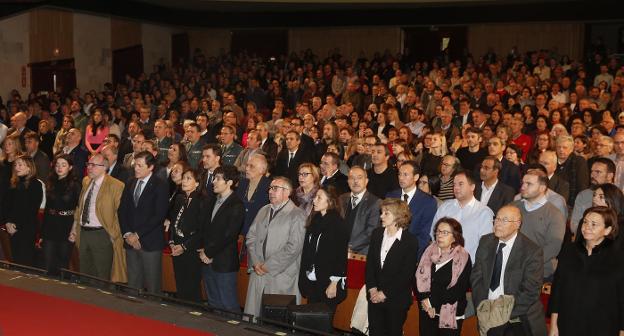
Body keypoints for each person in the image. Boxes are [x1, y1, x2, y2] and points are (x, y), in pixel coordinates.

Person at [471, 205, 547, 336]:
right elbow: (476, 277)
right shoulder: (486, 241)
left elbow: (530, 291)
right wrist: (483, 307)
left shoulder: (531, 251)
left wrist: (501, 314)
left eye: (504, 220)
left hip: (516, 318)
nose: (497, 224)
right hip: (487, 312)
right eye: (496, 219)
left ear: (517, 224)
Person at [549, 206, 624, 336]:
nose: (587, 227)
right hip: (569, 322)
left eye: (594, 224)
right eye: (585, 222)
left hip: (602, 326)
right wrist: (554, 325)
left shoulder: (618, 258)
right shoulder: (569, 251)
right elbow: (557, 290)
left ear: (607, 230)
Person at [244, 176, 307, 318]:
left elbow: (294, 247)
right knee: (253, 317)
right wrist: (256, 262)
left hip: (280, 274)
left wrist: (268, 266)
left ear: (287, 192)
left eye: (275, 188)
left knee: (275, 320)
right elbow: (251, 237)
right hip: (258, 270)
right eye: (270, 188)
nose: (271, 192)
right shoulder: (264, 210)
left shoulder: (297, 215)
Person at [365, 198, 419, 336]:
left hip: (396, 300)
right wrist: (372, 290)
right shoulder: (377, 234)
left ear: (398, 216)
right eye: (381, 212)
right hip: (374, 298)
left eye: (386, 213)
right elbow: (370, 265)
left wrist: (384, 293)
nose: (381, 216)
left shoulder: (410, 241)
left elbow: (406, 275)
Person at [71, 153, 126, 283]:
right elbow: (80, 207)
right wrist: (74, 227)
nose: (89, 167)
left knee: (102, 275)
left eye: (93, 165)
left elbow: (120, 214)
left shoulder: (116, 185)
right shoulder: (86, 181)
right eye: (88, 164)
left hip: (102, 234)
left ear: (104, 167)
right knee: (85, 272)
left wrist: (114, 234)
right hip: (83, 232)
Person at [118, 151, 169, 293]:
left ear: (151, 167)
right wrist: (128, 234)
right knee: (133, 284)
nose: (136, 168)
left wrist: (137, 235)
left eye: (140, 166)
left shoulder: (160, 185)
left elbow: (158, 216)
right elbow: (122, 210)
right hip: (130, 241)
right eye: (135, 165)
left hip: (150, 242)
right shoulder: (130, 182)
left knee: (153, 286)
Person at [199, 166, 245, 311]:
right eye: (214, 178)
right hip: (207, 259)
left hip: (224, 262)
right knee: (213, 302)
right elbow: (204, 228)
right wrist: (204, 251)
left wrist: (209, 253)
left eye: (218, 179)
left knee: (228, 304)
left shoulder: (236, 204)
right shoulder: (212, 200)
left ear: (229, 182)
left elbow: (229, 235)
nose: (214, 181)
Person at [416, 217, 472, 336]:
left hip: (449, 313)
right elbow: (418, 279)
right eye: (438, 231)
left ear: (455, 236)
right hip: (427, 311)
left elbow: (458, 289)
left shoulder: (463, 257)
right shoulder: (428, 252)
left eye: (445, 233)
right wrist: (425, 301)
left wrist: (431, 302)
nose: (440, 235)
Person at [298, 186, 349, 316]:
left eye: (319, 197)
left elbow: (340, 256)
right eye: (315, 197)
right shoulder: (314, 220)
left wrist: (334, 282)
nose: (314, 200)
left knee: (322, 322)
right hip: (313, 280)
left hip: (328, 282)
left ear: (330, 201)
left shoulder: (338, 224)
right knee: (309, 320)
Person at [512, 169, 566, 280]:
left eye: (529, 184)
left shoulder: (554, 214)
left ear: (542, 188)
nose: (523, 187)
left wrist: (527, 262)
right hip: (511, 268)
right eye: (523, 183)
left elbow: (553, 246)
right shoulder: (513, 207)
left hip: (539, 272)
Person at [431, 171, 494, 261]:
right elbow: (434, 233)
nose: (456, 188)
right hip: (441, 261)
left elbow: (486, 246)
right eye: (454, 184)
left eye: (460, 184)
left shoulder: (484, 213)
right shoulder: (445, 207)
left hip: (469, 265)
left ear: (472, 187)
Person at [165, 168, 204, 302]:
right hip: (176, 247)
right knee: (180, 283)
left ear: (197, 183)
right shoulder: (180, 198)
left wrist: (184, 246)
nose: (184, 181)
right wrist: (171, 242)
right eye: (184, 178)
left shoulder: (201, 201)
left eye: (189, 178)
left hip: (190, 249)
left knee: (191, 286)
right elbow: (173, 221)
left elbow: (202, 230)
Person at [386, 160, 437, 258]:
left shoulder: (428, 202)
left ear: (416, 177)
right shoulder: (391, 196)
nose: (401, 178)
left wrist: (410, 254)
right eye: (399, 174)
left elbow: (425, 234)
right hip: (387, 249)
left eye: (405, 174)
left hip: (411, 253)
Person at [42, 154, 81, 275]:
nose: (59, 167)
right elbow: (47, 207)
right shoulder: (50, 182)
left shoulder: (75, 185)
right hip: (50, 224)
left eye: (63, 165)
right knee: (48, 263)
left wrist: (74, 230)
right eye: (57, 165)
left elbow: (79, 208)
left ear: (70, 167)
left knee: (63, 263)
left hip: (66, 225)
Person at [3, 155, 43, 267]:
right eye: (16, 165)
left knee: (24, 262)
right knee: (14, 260)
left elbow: (31, 210)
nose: (17, 167)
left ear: (29, 168)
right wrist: (7, 222)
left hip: (26, 229)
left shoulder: (36, 184)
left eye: (20, 165)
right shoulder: (13, 184)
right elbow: (7, 206)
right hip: (11, 227)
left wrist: (17, 226)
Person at [339, 165, 381, 254]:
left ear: (366, 181)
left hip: (361, 254)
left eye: (359, 178)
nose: (355, 181)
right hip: (339, 249)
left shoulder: (375, 202)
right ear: (347, 181)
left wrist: (350, 247)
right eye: (352, 178)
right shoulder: (341, 199)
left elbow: (371, 231)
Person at [570, 157, 615, 232]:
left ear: (610, 176)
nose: (592, 175)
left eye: (598, 172)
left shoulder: (618, 196)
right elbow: (574, 225)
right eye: (592, 171)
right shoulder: (583, 195)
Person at [236, 153, 271, 236]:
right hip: (239, 232)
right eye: (247, 165)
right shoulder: (242, 183)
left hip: (257, 233)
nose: (247, 169)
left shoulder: (270, 186)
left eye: (251, 166)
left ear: (262, 170)